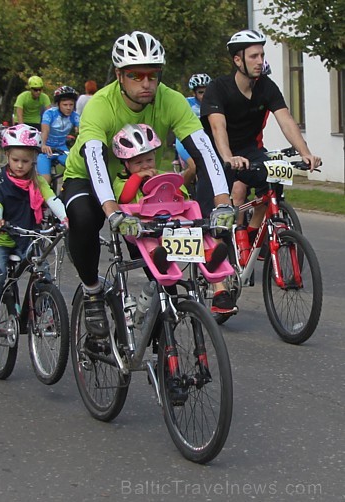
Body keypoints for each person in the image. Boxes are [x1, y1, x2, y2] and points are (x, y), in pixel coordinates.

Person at [61, 31, 235, 345]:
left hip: (142, 181)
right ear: (118, 75)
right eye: (135, 75)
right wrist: (112, 210)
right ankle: (91, 293)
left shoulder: (172, 100)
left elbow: (203, 148)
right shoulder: (100, 105)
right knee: (85, 219)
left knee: (162, 267)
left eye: (152, 75)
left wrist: (223, 200)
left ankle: (162, 357)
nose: (145, 83)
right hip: (90, 176)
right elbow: (95, 160)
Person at [200, 29, 321, 239]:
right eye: (254, 56)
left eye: (262, 55)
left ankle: (252, 233)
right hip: (217, 154)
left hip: (249, 151)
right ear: (238, 60)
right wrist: (228, 157)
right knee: (211, 225)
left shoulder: (267, 86)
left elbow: (286, 120)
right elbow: (218, 127)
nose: (260, 61)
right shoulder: (218, 88)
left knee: (273, 179)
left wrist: (305, 152)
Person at [0, 124, 68, 336]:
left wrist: (65, 217)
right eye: (15, 160)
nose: (19, 165)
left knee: (43, 273)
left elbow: (52, 199)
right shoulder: (0, 180)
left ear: (34, 161)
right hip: (0, 237)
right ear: (7, 155)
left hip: (28, 237)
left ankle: (45, 313)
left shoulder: (37, 181)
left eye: (25, 161)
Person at [111, 123, 228, 277]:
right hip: (139, 224)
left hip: (168, 217)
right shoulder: (122, 181)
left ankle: (209, 254)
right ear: (126, 164)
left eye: (149, 160)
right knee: (148, 237)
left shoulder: (160, 174)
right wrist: (137, 178)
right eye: (138, 163)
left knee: (188, 228)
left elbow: (182, 194)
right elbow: (125, 197)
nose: (145, 166)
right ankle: (158, 257)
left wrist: (170, 184)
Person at [174, 73, 212, 188]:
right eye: (201, 92)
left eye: (207, 91)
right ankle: (178, 192)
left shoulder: (214, 104)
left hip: (205, 140)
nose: (204, 95)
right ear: (194, 93)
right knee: (194, 166)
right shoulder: (186, 103)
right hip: (185, 140)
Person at [37, 85, 80, 186]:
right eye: (65, 105)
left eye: (71, 105)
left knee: (76, 170)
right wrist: (43, 145)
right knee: (45, 182)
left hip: (61, 147)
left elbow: (81, 131)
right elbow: (45, 130)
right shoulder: (49, 113)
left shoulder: (75, 116)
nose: (69, 108)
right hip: (46, 147)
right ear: (58, 104)